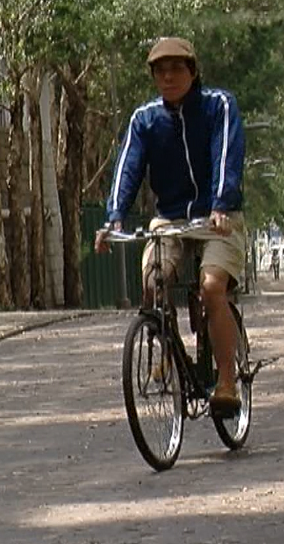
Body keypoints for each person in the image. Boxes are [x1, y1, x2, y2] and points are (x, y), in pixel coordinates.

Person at [94, 37, 247, 418]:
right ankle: (169, 353)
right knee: (153, 283)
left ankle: (226, 382)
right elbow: (128, 168)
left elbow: (226, 156)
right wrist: (113, 219)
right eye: (160, 71)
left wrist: (221, 204)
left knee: (211, 287)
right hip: (171, 218)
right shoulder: (145, 120)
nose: (168, 77)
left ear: (193, 72)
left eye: (177, 68)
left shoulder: (218, 105)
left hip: (217, 217)